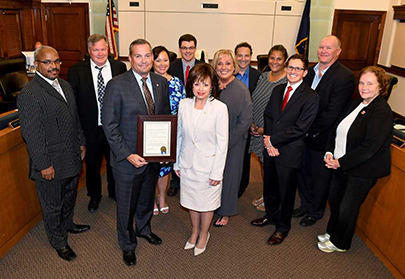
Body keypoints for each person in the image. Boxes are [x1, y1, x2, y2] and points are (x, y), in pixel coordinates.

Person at [17, 46, 89, 261]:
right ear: (36, 65)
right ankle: (58, 241)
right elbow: (33, 135)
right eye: (47, 62)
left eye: (56, 61)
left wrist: (82, 142)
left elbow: (74, 118)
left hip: (71, 156)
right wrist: (43, 165)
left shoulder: (65, 86)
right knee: (52, 206)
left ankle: (68, 224)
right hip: (50, 163)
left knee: (69, 196)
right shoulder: (29, 94)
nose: (53, 66)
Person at [102, 39, 171, 266]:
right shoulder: (117, 84)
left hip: (152, 158)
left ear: (153, 57)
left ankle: (143, 229)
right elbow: (110, 126)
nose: (144, 60)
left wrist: (163, 152)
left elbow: (164, 120)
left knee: (145, 199)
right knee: (125, 205)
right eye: (138, 56)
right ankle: (127, 243)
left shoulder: (161, 83)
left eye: (148, 55)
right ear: (130, 59)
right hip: (127, 161)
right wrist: (127, 154)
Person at [318, 66, 393, 253]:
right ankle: (332, 232)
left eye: (370, 83)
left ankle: (340, 243)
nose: (364, 87)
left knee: (347, 207)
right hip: (340, 164)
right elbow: (337, 130)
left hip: (362, 170)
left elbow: (369, 149)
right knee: (335, 201)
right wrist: (329, 152)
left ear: (380, 87)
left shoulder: (381, 112)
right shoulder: (355, 104)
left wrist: (340, 162)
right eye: (361, 82)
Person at [253, 54, 319, 245]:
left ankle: (282, 227)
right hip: (271, 148)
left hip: (289, 151)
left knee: (286, 192)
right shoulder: (278, 89)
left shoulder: (311, 96)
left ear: (305, 73)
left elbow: (301, 128)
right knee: (270, 186)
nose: (293, 71)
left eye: (298, 69)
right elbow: (269, 116)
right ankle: (271, 216)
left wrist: (274, 140)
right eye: (290, 67)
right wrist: (268, 141)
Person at [294, 35, 355, 227]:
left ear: (338, 52)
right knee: (302, 172)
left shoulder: (345, 76)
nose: (323, 51)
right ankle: (305, 204)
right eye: (321, 47)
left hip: (322, 136)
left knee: (319, 177)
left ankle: (315, 211)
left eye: (329, 48)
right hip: (302, 134)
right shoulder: (309, 71)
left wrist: (306, 129)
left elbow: (332, 113)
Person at [173, 63, 228, 256]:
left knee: (206, 204)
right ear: (191, 85)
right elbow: (179, 135)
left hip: (208, 166)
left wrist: (217, 172)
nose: (201, 89)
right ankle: (194, 231)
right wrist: (177, 162)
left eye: (205, 84)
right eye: (197, 84)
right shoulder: (184, 105)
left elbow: (222, 144)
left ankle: (204, 233)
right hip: (187, 164)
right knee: (191, 202)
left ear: (212, 85)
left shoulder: (220, 108)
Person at [68, 34, 127, 212]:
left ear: (108, 49)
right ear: (89, 51)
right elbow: (73, 104)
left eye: (103, 49)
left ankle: (114, 192)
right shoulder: (76, 71)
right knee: (92, 166)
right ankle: (94, 196)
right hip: (90, 128)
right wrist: (78, 134)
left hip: (115, 127)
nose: (100, 53)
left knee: (114, 163)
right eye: (96, 50)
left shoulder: (119, 67)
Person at [211, 49, 252, 227]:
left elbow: (245, 121)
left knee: (229, 175)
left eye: (228, 63)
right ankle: (212, 205)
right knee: (213, 175)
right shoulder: (211, 86)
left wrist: (226, 142)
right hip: (211, 141)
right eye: (220, 63)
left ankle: (226, 212)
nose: (224, 67)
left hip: (233, 141)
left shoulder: (241, 90)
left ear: (234, 66)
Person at [248, 45, 288, 215]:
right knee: (264, 165)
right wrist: (251, 123)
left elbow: (283, 112)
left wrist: (265, 129)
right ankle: (267, 195)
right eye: (272, 58)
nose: (275, 62)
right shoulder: (264, 76)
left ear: (285, 60)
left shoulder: (286, 81)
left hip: (270, 132)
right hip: (255, 129)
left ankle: (273, 198)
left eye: (279, 58)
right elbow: (255, 100)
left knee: (272, 167)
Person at [167, 34, 204, 197]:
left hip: (198, 112)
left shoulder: (203, 67)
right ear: (179, 49)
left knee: (194, 145)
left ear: (195, 48)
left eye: (191, 47)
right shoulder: (171, 66)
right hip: (177, 114)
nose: (188, 51)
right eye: (184, 48)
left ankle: (193, 177)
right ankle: (175, 181)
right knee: (178, 145)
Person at [151, 45, 186, 215]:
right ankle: (150, 198)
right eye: (158, 60)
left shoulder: (176, 82)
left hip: (172, 131)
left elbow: (185, 106)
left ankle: (162, 197)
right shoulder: (146, 81)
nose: (162, 63)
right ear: (152, 61)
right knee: (151, 167)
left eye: (165, 60)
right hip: (151, 132)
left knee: (165, 167)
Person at [234, 42, 262, 198]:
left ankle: (241, 185)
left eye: (246, 55)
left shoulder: (259, 76)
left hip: (250, 123)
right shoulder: (228, 74)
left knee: (245, 156)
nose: (243, 59)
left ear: (251, 57)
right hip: (231, 122)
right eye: (239, 55)